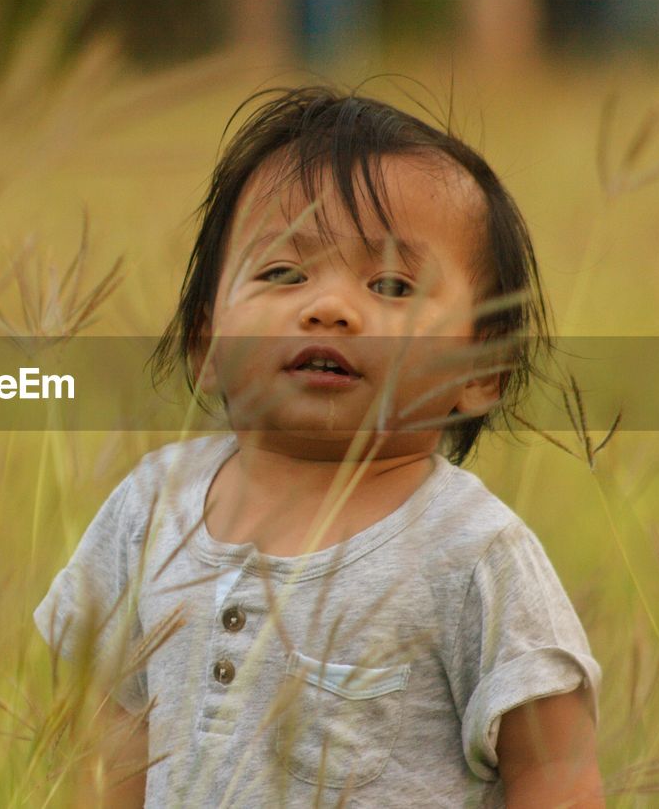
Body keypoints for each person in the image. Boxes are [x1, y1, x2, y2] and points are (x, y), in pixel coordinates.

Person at [32, 85, 603, 807]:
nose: (328, 306)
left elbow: (555, 771)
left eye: (392, 284)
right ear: (207, 345)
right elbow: (110, 743)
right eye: (282, 273)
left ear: (481, 368)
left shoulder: (472, 552)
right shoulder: (150, 509)